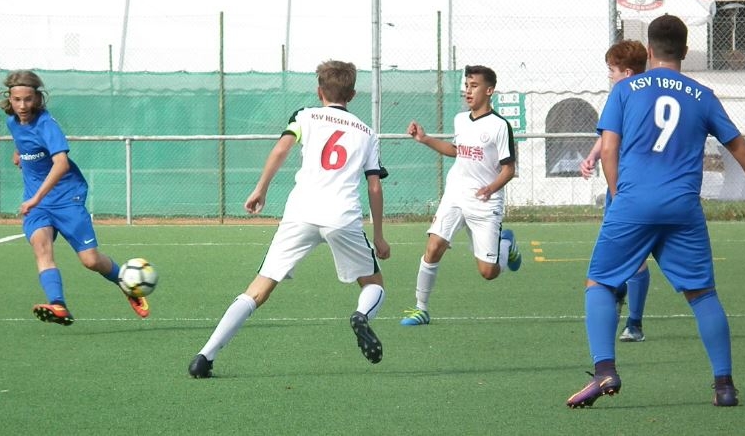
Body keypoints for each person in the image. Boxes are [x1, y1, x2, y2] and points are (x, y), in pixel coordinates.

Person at [565, 15, 745, 409]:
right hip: (682, 207)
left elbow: (609, 148)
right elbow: (741, 149)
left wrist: (618, 195)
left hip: (633, 203)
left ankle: (605, 371)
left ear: (649, 51)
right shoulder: (702, 95)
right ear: (684, 51)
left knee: (599, 282)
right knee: (702, 295)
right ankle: (724, 386)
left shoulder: (625, 89)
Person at [188, 60, 390, 378]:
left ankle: (204, 356)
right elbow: (374, 186)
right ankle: (361, 315)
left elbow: (281, 150)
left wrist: (260, 189)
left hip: (300, 213)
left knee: (258, 289)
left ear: (319, 91)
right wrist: (379, 235)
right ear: (352, 95)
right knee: (373, 284)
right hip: (342, 215)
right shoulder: (367, 133)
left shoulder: (305, 115)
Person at [1, 70, 149, 326]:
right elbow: (24, 140)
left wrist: (36, 198)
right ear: (9, 99)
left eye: (28, 99)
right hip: (38, 203)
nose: (22, 106)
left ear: (38, 98)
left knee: (90, 261)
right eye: (17, 100)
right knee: (41, 248)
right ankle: (58, 304)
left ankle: (126, 284)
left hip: (66, 196)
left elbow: (61, 164)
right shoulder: (13, 122)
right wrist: (19, 153)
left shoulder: (47, 124)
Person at [399, 65, 522, 327]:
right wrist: (424, 139)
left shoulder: (500, 126)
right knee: (434, 246)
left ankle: (506, 244)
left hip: (485, 202)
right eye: (466, 85)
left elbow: (509, 169)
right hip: (455, 194)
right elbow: (456, 150)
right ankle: (421, 308)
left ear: (489, 91)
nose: (468, 91)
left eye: (474, 86)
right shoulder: (460, 119)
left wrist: (490, 188)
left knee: (488, 272)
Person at [580, 39, 651, 343]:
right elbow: (609, 137)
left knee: (635, 254)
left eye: (612, 70)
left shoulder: (632, 96)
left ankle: (634, 322)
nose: (609, 75)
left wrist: (616, 191)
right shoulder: (625, 96)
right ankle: (623, 301)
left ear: (627, 72)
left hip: (631, 188)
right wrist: (593, 155)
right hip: (622, 187)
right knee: (624, 252)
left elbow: (614, 144)